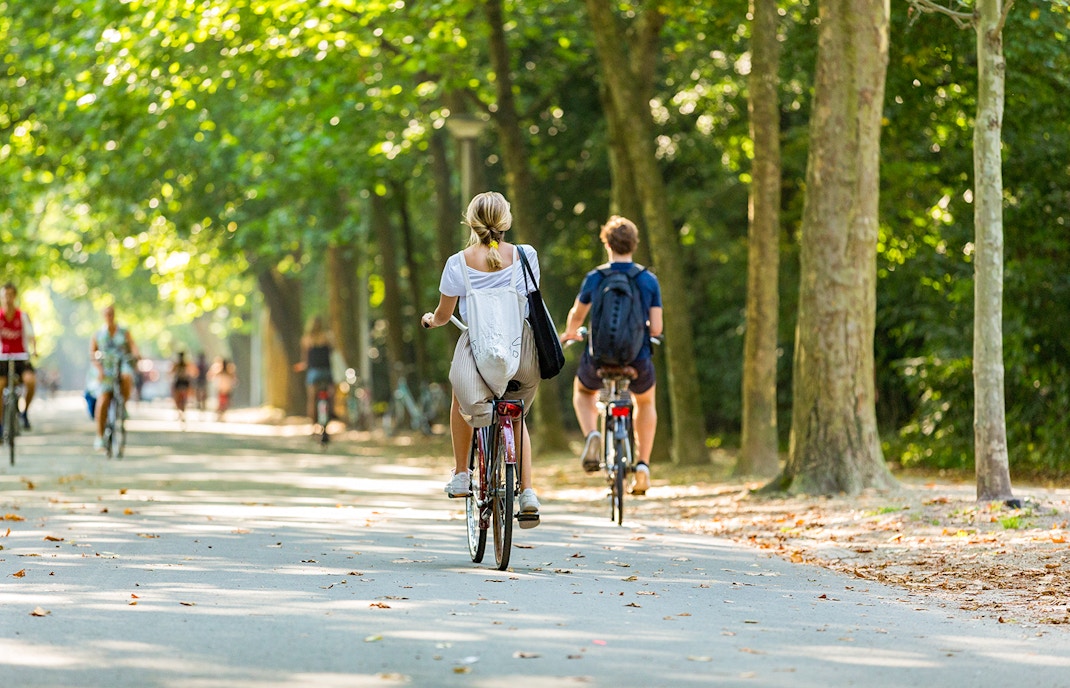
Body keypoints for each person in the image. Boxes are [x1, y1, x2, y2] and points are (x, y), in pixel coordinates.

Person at [421, 191, 543, 526]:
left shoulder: (457, 263)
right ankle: (528, 491)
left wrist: (431, 319)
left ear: (470, 222)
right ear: (507, 220)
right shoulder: (526, 256)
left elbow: (444, 316)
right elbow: (528, 302)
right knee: (515, 413)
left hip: (479, 349)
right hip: (520, 353)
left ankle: (462, 474)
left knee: (461, 395)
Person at [560, 216, 663, 495]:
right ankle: (642, 465)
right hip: (637, 359)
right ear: (634, 244)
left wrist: (570, 333)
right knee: (645, 400)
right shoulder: (647, 280)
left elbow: (577, 315)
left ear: (607, 244)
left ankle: (592, 434)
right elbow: (656, 327)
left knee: (583, 392)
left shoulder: (596, 277)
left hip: (599, 359)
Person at [90, 305, 140, 451]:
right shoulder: (98, 334)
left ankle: (122, 404)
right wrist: (99, 370)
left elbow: (133, 346)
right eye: (106, 314)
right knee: (103, 400)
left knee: (127, 376)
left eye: (111, 314)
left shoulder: (124, 332)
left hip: (121, 363)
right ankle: (99, 437)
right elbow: (93, 355)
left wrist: (137, 356)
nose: (109, 316)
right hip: (105, 368)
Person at [0, 283, 38, 430]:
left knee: (30, 381)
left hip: (21, 357)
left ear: (14, 296)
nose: (7, 299)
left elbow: (31, 336)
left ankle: (25, 412)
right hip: (2, 358)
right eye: (4, 295)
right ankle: (1, 423)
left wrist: (34, 350)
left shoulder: (22, 316)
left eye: (10, 295)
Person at [293, 316, 334, 428]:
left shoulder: (306, 339)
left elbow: (305, 360)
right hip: (327, 371)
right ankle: (330, 415)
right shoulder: (328, 336)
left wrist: (302, 366)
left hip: (314, 372)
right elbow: (333, 352)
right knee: (330, 395)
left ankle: (312, 424)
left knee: (311, 399)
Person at [207, 356, 237, 421]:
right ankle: (220, 414)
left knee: (223, 403)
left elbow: (211, 376)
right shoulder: (227, 371)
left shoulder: (227, 371)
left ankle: (220, 414)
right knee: (224, 403)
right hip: (225, 389)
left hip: (222, 389)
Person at [171, 351, 194, 423]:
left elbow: (171, 372)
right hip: (185, 383)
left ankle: (179, 412)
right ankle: (182, 411)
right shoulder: (187, 364)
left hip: (179, 383)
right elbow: (193, 373)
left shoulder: (176, 364)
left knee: (176, 398)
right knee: (185, 398)